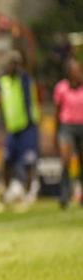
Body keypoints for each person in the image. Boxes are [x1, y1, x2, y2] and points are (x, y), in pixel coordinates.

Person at [0, 51, 41, 206]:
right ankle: (5, 193)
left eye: (13, 64)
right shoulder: (3, 81)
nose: (10, 67)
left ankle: (30, 191)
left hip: (28, 126)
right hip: (12, 128)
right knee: (6, 161)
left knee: (28, 162)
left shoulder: (24, 79)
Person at [53, 58, 83, 208]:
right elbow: (57, 112)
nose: (78, 73)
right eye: (75, 71)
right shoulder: (61, 88)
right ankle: (64, 195)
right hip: (66, 126)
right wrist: (55, 132)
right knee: (65, 160)